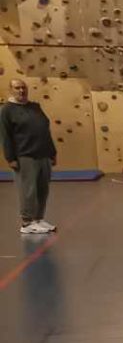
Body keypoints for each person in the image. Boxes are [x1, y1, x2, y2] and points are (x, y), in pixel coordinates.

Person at [2, 78, 57, 235]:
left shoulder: (35, 106)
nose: (21, 90)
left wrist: (52, 152)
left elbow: (45, 129)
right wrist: (10, 158)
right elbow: (5, 135)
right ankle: (27, 222)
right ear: (11, 90)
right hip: (25, 155)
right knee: (28, 190)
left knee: (43, 189)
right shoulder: (6, 110)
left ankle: (38, 219)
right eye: (17, 88)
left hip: (43, 154)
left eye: (24, 87)